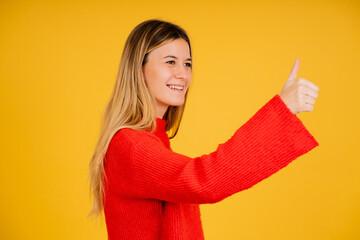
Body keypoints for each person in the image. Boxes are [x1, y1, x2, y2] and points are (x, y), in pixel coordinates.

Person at [88, 19, 319, 240]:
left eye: (187, 64)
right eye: (170, 62)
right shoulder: (133, 145)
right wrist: (282, 110)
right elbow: (203, 181)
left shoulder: (150, 139)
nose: (183, 74)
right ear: (138, 69)